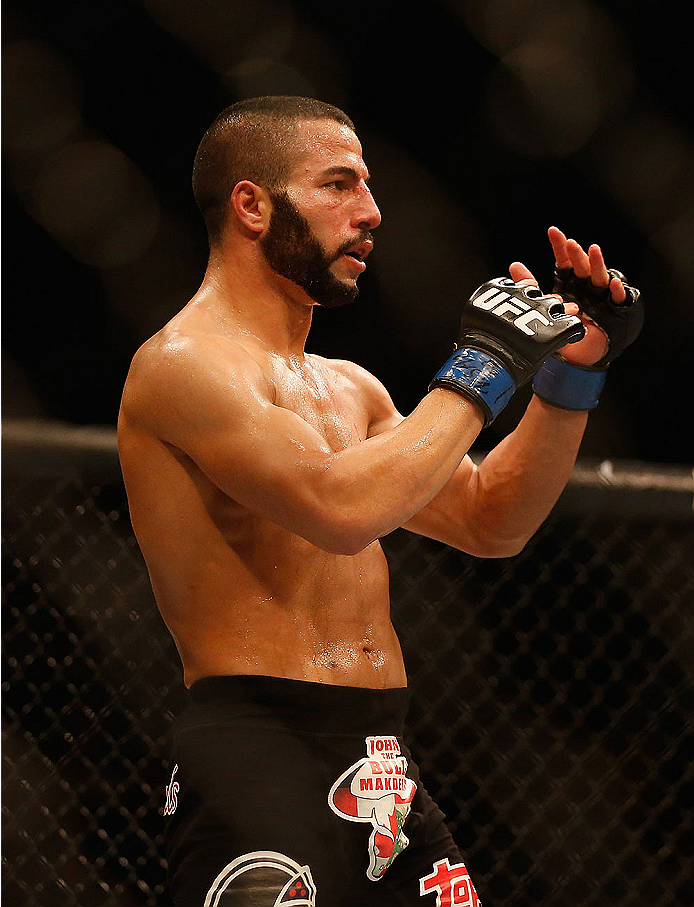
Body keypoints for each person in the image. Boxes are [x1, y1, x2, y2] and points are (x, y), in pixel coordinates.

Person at [117, 96, 643, 906]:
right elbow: (339, 510)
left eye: (366, 185)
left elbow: (488, 520)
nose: (371, 212)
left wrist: (571, 374)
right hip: (259, 754)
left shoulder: (349, 388)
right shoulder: (185, 365)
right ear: (252, 204)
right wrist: (484, 364)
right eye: (338, 185)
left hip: (383, 764)